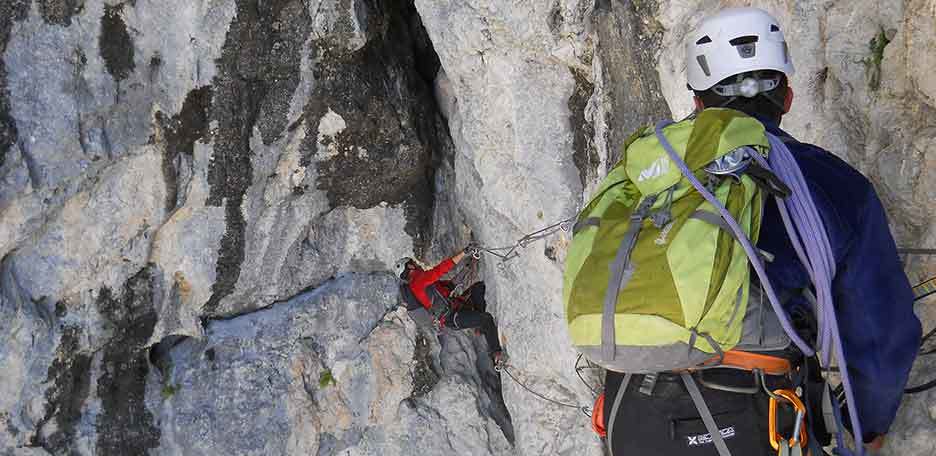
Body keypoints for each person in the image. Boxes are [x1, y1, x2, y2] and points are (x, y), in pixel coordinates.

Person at [600, 7, 920, 455]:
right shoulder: (832, 186)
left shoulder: (647, 178)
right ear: (787, 96)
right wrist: (865, 425)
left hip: (632, 415)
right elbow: (879, 329)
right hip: (754, 417)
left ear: (697, 103)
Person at [397, 248, 507, 365]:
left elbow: (450, 285)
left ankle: (479, 327)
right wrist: (464, 252)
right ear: (410, 267)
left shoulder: (423, 285)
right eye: (413, 263)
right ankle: (496, 354)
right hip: (453, 317)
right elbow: (440, 269)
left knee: (478, 288)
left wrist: (468, 266)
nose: (416, 264)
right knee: (486, 319)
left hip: (457, 307)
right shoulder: (419, 281)